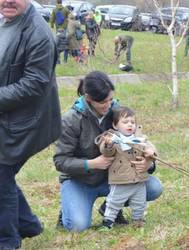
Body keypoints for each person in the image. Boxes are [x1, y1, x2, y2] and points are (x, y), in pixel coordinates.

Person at [53, 71, 163, 232]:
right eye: (103, 102)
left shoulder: (116, 111)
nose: (108, 105)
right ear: (88, 98)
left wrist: (149, 160)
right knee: (78, 225)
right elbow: (60, 161)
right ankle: (67, 211)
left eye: (111, 99)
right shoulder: (70, 120)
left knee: (154, 188)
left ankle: (110, 207)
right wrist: (91, 164)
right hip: (80, 181)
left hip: (115, 179)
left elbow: (138, 138)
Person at [0, 0, 62, 249]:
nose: (7, 0)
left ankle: (7, 241)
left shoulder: (38, 34)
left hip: (26, 123)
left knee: (1, 175)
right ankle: (27, 225)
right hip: (8, 116)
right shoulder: (6, 20)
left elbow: (34, 85)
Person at [96, 106, 157, 229]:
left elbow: (150, 148)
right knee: (114, 202)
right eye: (125, 122)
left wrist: (151, 153)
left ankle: (138, 221)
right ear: (115, 125)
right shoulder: (112, 138)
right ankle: (108, 222)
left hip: (138, 180)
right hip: (120, 181)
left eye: (133, 122)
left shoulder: (140, 138)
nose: (130, 125)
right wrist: (108, 144)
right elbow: (106, 152)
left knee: (140, 203)